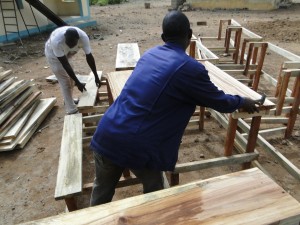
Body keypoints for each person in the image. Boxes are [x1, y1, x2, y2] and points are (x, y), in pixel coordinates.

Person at [89, 11, 261, 206]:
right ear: (190, 34)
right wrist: (242, 101)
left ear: (163, 38)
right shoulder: (190, 68)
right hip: (140, 146)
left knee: (100, 197)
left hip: (107, 134)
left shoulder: (150, 54)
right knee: (156, 197)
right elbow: (218, 101)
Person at [45, 26, 101, 114]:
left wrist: (96, 76)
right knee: (65, 81)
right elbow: (65, 64)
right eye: (68, 42)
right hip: (54, 55)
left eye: (72, 43)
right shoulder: (57, 41)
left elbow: (89, 57)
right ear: (65, 37)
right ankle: (71, 109)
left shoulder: (83, 37)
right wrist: (78, 83)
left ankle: (68, 100)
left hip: (67, 53)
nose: (70, 44)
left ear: (78, 39)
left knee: (71, 80)